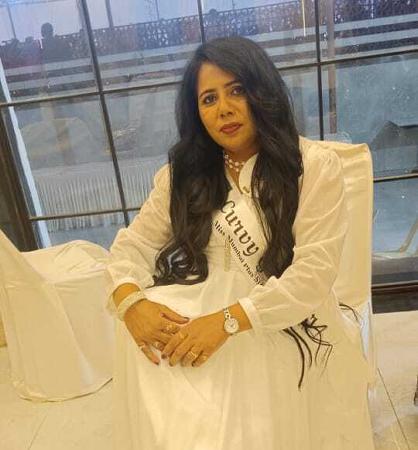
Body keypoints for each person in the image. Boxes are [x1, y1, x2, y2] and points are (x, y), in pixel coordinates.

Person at [105, 36, 375, 449]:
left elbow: (313, 275)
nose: (224, 109)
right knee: (144, 335)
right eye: (208, 99)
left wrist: (227, 322)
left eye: (236, 90)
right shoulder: (183, 175)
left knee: (244, 366)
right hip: (205, 295)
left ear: (262, 92)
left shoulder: (313, 167)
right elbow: (133, 245)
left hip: (281, 311)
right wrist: (131, 303)